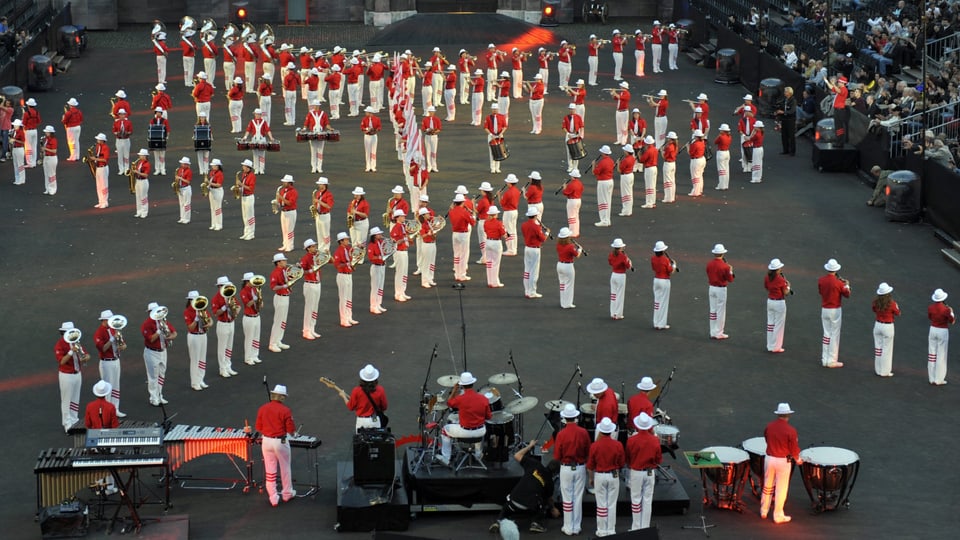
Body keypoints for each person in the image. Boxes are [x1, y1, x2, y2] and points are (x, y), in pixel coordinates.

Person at [488, 440, 560, 535]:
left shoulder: (534, 464)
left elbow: (517, 455)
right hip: (530, 507)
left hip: (513, 502)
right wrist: (553, 509)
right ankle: (536, 523)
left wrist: (530, 446)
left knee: (506, 507)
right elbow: (549, 499)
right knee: (544, 501)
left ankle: (499, 521)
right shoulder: (550, 482)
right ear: (555, 473)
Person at [761, 403, 803, 524]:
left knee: (767, 485)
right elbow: (794, 449)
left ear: (778, 414)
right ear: (788, 415)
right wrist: (798, 460)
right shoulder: (791, 430)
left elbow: (766, 438)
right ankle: (778, 515)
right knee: (781, 488)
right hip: (783, 461)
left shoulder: (769, 426)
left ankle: (764, 510)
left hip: (769, 459)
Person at [255, 384, 297, 506]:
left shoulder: (262, 408)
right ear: (282, 397)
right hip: (280, 442)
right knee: (285, 468)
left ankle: (273, 497)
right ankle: (287, 493)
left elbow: (258, 427)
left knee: (270, 470)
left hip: (266, 441)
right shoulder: (285, 410)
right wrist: (294, 434)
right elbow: (290, 429)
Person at [438, 372, 492, 466]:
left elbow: (449, 403)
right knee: (481, 426)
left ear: (462, 386)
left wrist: (454, 390)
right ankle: (478, 454)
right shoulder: (483, 399)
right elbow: (489, 417)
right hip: (480, 431)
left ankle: (446, 458)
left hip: (465, 432)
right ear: (473, 384)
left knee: (445, 430)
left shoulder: (460, 399)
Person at [553, 403, 590, 535]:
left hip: (566, 468)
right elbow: (588, 451)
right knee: (578, 497)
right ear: (575, 417)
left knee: (567, 497)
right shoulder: (583, 432)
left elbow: (557, 455)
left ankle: (568, 526)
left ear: (564, 418)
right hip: (580, 467)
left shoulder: (561, 434)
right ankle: (576, 526)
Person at [588, 417, 625, 537]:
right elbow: (621, 463)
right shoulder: (618, 445)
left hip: (600, 475)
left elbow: (590, 465)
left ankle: (601, 529)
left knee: (601, 504)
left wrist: (591, 478)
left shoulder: (595, 446)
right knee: (611, 503)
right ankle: (610, 529)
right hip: (613, 475)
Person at [626, 412, 661, 531]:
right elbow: (658, 459)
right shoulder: (655, 440)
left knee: (635, 500)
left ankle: (636, 527)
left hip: (636, 472)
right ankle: (645, 527)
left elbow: (628, 457)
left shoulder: (631, 440)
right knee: (647, 500)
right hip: (650, 472)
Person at [55, 321, 89, 432]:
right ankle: (67, 423)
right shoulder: (60, 345)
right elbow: (62, 361)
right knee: (66, 400)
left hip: (77, 373)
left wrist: (85, 357)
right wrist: (71, 352)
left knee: (75, 398)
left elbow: (86, 355)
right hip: (66, 375)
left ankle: (74, 420)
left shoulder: (76, 342)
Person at [335, 364, 388, 432]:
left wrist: (344, 396)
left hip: (362, 421)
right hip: (375, 420)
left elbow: (351, 407)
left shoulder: (356, 391)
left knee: (361, 441)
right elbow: (384, 407)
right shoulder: (380, 390)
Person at [142, 303, 176, 406]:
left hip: (163, 351)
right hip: (152, 352)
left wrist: (170, 336)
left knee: (162, 374)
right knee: (153, 376)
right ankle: (153, 397)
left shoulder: (163, 321)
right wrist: (158, 331)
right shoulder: (146, 324)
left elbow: (174, 332)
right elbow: (151, 339)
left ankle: (159, 394)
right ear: (149, 313)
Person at [92, 310, 126, 417]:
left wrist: (122, 346)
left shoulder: (113, 329)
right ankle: (107, 412)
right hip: (106, 362)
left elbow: (123, 344)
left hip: (116, 360)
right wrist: (112, 339)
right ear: (104, 320)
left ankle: (115, 409)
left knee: (116, 386)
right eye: (109, 320)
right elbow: (102, 348)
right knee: (108, 387)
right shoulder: (99, 332)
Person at [819, 258, 850, 368]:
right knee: (834, 334)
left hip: (825, 309)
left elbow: (821, 292)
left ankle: (825, 359)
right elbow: (847, 294)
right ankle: (832, 360)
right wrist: (846, 285)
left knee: (826, 333)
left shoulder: (821, 280)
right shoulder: (839, 283)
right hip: (835, 309)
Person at [210, 276, 239, 378]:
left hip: (231, 322)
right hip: (222, 324)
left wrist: (235, 310)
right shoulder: (216, 298)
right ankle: (222, 369)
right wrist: (224, 307)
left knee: (229, 347)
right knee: (222, 348)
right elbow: (216, 313)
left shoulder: (231, 295)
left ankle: (228, 366)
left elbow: (238, 306)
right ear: (220, 286)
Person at [183, 290, 211, 391]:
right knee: (195, 359)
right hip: (194, 336)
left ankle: (200, 379)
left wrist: (209, 323)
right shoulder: (187, 311)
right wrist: (196, 319)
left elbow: (210, 319)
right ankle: (194, 382)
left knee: (202, 359)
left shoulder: (202, 308)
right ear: (190, 301)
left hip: (203, 334)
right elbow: (190, 328)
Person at [706, 243, 735, 339]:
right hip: (720, 289)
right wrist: (730, 270)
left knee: (713, 310)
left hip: (711, 288)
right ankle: (719, 332)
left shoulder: (709, 264)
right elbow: (730, 279)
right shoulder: (725, 266)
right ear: (722, 254)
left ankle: (713, 331)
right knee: (720, 311)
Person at [871, 282, 900, 377]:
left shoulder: (875, 302)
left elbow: (874, 309)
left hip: (878, 325)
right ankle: (885, 371)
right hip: (888, 326)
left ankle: (878, 369)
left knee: (878, 349)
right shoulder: (892, 303)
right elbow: (898, 313)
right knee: (886, 349)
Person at [268, 253, 294, 353]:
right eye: (284, 261)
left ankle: (278, 340)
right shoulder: (275, 273)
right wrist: (285, 286)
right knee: (278, 321)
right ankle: (272, 343)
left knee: (283, 321)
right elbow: (273, 287)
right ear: (278, 262)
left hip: (286, 297)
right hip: (280, 298)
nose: (286, 262)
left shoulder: (284, 271)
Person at [928, 288, 955, 386]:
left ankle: (931, 378)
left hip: (933, 329)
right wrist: (951, 311)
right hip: (942, 330)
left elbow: (930, 317)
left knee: (932, 355)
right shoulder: (946, 309)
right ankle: (939, 379)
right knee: (941, 355)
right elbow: (952, 321)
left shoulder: (930, 307)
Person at [333, 232, 359, 327]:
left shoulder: (348, 249)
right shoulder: (338, 251)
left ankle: (349, 317)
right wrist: (347, 264)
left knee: (349, 297)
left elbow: (353, 258)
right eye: (346, 239)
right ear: (341, 241)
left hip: (349, 275)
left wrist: (352, 266)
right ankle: (343, 319)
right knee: (343, 298)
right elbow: (337, 265)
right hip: (342, 276)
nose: (348, 241)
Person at [765, 259, 791, 353]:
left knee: (770, 324)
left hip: (770, 301)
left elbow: (767, 287)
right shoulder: (781, 279)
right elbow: (786, 292)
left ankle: (770, 345)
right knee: (778, 325)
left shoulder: (767, 277)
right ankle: (776, 346)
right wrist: (788, 286)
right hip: (779, 302)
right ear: (777, 269)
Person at [449, 193, 477, 282]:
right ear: (462, 202)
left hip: (455, 234)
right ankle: (462, 274)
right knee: (464, 255)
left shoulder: (451, 211)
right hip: (463, 234)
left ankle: (457, 274)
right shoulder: (464, 212)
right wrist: (473, 214)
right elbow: (473, 223)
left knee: (456, 255)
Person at [521, 208, 547, 299]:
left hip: (527, 247)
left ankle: (527, 290)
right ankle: (532, 291)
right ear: (535, 216)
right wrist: (546, 233)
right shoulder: (536, 227)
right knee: (534, 271)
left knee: (527, 270)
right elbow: (542, 239)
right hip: (535, 249)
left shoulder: (524, 225)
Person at [300, 239, 323, 340]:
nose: (315, 248)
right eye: (313, 246)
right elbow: (300, 272)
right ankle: (306, 330)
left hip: (317, 284)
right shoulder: (305, 258)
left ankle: (312, 328)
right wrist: (310, 270)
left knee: (315, 308)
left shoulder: (317, 256)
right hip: (310, 284)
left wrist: (325, 254)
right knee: (309, 308)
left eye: (315, 246)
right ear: (308, 248)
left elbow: (331, 261)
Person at [239, 272, 264, 365]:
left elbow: (261, 305)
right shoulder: (243, 291)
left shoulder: (255, 290)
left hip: (257, 316)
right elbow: (248, 304)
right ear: (247, 282)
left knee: (256, 337)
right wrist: (254, 298)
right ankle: (248, 357)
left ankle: (255, 355)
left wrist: (260, 300)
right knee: (249, 338)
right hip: (248, 317)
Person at [651, 241, 676, 330]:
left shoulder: (653, 258)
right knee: (663, 302)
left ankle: (656, 322)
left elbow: (654, 268)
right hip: (664, 281)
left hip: (656, 280)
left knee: (657, 302)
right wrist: (674, 265)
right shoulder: (665, 260)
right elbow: (670, 271)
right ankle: (661, 323)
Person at [389, 209, 413, 302]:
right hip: (399, 251)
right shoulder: (396, 228)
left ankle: (402, 291)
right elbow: (394, 242)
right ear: (397, 217)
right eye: (402, 216)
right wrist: (405, 239)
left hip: (404, 251)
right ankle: (398, 293)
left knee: (404, 273)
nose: (404, 217)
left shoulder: (403, 226)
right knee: (400, 273)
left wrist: (409, 239)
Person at [556, 227, 582, 309]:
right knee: (569, 285)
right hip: (568, 266)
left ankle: (563, 302)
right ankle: (567, 303)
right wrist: (580, 249)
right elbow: (577, 255)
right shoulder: (570, 246)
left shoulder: (558, 245)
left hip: (560, 265)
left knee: (562, 284)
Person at [243, 108, 275, 174]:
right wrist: (245, 137)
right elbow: (248, 130)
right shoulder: (252, 121)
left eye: (257, 114)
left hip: (262, 139)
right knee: (255, 154)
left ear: (260, 115)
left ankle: (262, 169)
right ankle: (256, 169)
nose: (256, 115)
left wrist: (271, 137)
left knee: (262, 155)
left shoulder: (264, 122)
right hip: (254, 139)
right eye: (256, 114)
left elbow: (268, 130)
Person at [609, 238, 632, 320]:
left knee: (613, 295)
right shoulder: (623, 256)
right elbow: (628, 266)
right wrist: (629, 262)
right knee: (619, 295)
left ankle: (612, 312)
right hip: (621, 275)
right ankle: (618, 314)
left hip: (614, 274)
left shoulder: (611, 254)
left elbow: (610, 263)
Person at [366, 226, 388, 313]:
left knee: (380, 287)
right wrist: (380, 257)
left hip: (382, 266)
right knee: (375, 287)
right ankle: (373, 306)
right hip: (376, 266)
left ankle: (378, 304)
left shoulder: (381, 242)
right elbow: (371, 257)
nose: (381, 235)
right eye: (379, 234)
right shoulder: (372, 245)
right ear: (375, 236)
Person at [483, 206, 507, 288]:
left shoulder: (486, 222)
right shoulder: (499, 223)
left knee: (489, 262)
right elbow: (504, 235)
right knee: (496, 263)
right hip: (496, 242)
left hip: (488, 241)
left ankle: (489, 281)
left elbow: (485, 231)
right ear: (496, 214)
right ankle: (495, 282)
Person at [593, 145, 615, 227]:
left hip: (603, 182)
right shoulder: (611, 161)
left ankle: (604, 220)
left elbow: (595, 172)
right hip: (610, 181)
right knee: (608, 200)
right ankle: (607, 219)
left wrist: (594, 165)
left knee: (603, 201)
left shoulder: (603, 162)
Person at [825, 75, 850, 146]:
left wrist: (833, 84)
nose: (838, 83)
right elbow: (831, 88)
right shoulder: (840, 88)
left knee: (839, 127)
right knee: (838, 126)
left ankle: (840, 142)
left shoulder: (844, 89)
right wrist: (826, 81)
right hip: (837, 110)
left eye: (839, 82)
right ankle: (838, 141)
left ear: (842, 83)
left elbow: (838, 90)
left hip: (840, 111)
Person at [276, 175, 298, 252]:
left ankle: (290, 245)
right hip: (284, 211)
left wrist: (281, 198)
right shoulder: (282, 190)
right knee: (284, 229)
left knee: (290, 230)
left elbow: (290, 203)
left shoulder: (293, 192)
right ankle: (285, 244)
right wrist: (277, 203)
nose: (283, 183)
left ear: (289, 183)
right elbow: (281, 201)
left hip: (290, 212)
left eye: (285, 182)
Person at [484, 102, 507, 174]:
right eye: (493, 109)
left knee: (499, 152)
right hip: (491, 136)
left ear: (498, 109)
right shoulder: (488, 117)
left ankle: (497, 168)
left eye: (496, 109)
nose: (495, 110)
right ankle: (492, 168)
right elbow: (485, 127)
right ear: (491, 110)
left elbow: (505, 126)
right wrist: (491, 134)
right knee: (492, 152)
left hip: (499, 135)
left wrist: (501, 133)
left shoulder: (502, 117)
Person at [313, 177, 334, 251]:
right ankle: (320, 248)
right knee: (319, 233)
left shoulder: (329, 194)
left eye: (320, 184)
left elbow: (329, 206)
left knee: (325, 233)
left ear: (324, 185)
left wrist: (318, 201)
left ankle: (326, 248)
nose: (319, 185)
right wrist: (314, 206)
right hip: (318, 215)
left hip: (325, 215)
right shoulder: (318, 193)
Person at [238, 159, 257, 240]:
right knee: (245, 216)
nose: (243, 167)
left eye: (244, 166)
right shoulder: (244, 174)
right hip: (243, 196)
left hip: (249, 197)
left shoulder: (252, 176)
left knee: (250, 216)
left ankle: (251, 233)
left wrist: (241, 184)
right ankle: (246, 232)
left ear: (248, 167)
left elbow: (251, 188)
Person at [637, 135, 658, 209]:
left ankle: (649, 202)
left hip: (649, 168)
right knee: (653, 186)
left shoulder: (648, 151)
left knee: (649, 186)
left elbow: (642, 160)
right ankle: (652, 201)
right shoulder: (655, 149)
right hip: (654, 168)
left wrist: (639, 155)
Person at [561, 169, 583, 237]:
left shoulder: (572, 184)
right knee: (576, 216)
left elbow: (565, 192)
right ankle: (576, 231)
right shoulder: (580, 183)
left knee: (571, 217)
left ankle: (572, 232)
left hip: (572, 201)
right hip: (578, 200)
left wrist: (564, 188)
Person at [148, 108, 170, 176]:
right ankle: (157, 169)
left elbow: (168, 129)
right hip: (155, 140)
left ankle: (162, 169)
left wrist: (167, 137)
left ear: (161, 113)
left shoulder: (165, 121)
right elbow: (150, 129)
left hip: (162, 139)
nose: (158, 114)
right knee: (156, 156)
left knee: (162, 156)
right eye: (157, 112)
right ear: (155, 113)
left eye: (159, 112)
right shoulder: (152, 120)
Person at [92, 133, 110, 208]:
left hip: (103, 167)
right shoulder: (98, 146)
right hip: (98, 167)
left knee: (104, 185)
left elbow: (105, 159)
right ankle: (100, 201)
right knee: (98, 185)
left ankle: (105, 202)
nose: (97, 140)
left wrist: (95, 159)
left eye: (98, 139)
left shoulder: (106, 148)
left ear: (102, 140)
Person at [777, 86, 797, 156]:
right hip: (784, 119)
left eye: (786, 92)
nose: (784, 93)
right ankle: (785, 150)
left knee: (791, 136)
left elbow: (792, 111)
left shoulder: (793, 101)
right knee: (784, 135)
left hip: (790, 120)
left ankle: (792, 151)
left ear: (789, 93)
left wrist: (783, 112)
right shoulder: (785, 100)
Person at [60, 98, 82, 162]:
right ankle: (77, 156)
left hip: (71, 128)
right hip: (78, 127)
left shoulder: (68, 113)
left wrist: (63, 119)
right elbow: (81, 119)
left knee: (71, 142)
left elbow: (64, 121)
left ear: (70, 105)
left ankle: (73, 156)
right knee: (76, 141)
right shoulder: (79, 111)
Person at [173, 156, 193, 224]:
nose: (183, 165)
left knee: (186, 204)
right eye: (182, 163)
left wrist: (180, 178)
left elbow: (188, 181)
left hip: (186, 188)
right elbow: (177, 178)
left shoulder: (189, 171)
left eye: (184, 164)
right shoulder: (180, 170)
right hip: (180, 188)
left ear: (187, 165)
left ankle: (187, 218)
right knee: (181, 204)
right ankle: (182, 217)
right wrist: (176, 180)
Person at [361, 106, 381, 173]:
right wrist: (367, 129)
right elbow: (362, 127)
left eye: (366, 112)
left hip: (374, 136)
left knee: (373, 152)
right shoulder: (364, 119)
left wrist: (375, 130)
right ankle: (368, 166)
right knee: (367, 151)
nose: (365, 113)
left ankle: (373, 166)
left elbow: (379, 127)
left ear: (370, 113)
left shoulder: (377, 119)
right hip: (367, 136)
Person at [22, 97, 41, 168]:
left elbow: (23, 123)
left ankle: (29, 163)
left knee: (28, 147)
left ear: (28, 105)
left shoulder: (26, 114)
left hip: (28, 131)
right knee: (34, 147)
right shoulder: (37, 113)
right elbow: (39, 121)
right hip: (35, 130)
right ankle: (34, 162)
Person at [617, 145, 636, 216]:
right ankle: (629, 210)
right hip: (630, 175)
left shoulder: (626, 160)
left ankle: (626, 211)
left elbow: (619, 170)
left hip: (625, 176)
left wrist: (618, 163)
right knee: (629, 193)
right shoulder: (632, 158)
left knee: (625, 194)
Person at [687, 129, 706, 197]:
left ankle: (695, 191)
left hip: (696, 160)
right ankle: (700, 189)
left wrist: (688, 147)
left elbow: (690, 153)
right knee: (700, 175)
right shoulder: (702, 142)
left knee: (695, 176)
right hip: (702, 159)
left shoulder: (695, 144)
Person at [207, 158, 224, 230]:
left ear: (217, 166)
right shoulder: (212, 172)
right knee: (212, 208)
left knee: (217, 208)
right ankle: (213, 223)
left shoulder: (220, 174)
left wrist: (209, 183)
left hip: (217, 191)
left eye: (213, 165)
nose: (212, 167)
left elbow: (219, 184)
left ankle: (219, 224)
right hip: (212, 190)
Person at [40, 126, 58, 195]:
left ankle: (53, 189)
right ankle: (47, 188)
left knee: (52, 174)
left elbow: (54, 151)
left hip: (52, 158)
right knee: (46, 173)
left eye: (47, 132)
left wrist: (45, 149)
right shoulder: (46, 139)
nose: (45, 133)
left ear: (50, 132)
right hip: (46, 157)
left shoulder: (53, 140)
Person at [660, 132, 678, 203]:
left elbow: (664, 157)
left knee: (667, 181)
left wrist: (661, 151)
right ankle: (672, 197)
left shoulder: (669, 147)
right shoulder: (675, 145)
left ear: (670, 139)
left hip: (668, 164)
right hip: (673, 164)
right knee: (672, 181)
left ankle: (668, 198)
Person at [714, 124, 732, 190]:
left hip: (721, 153)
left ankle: (722, 185)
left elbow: (715, 142)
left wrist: (719, 135)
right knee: (726, 169)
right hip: (727, 152)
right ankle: (726, 184)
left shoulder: (721, 137)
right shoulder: (729, 136)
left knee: (721, 170)